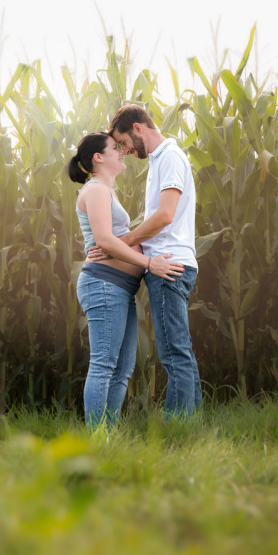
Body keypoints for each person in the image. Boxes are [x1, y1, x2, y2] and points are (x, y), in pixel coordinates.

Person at [91, 104, 202, 417]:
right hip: (172, 264)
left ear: (138, 128)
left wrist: (122, 242)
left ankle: (178, 427)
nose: (124, 150)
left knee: (173, 354)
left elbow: (165, 215)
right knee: (181, 351)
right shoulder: (159, 161)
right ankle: (192, 426)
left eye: (123, 142)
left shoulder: (169, 157)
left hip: (168, 267)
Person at [67, 132, 184, 428]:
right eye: (114, 148)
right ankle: (98, 438)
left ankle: (108, 435)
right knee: (104, 365)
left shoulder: (108, 192)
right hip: (103, 285)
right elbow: (105, 240)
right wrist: (148, 262)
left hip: (119, 288)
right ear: (98, 157)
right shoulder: (95, 190)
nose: (121, 152)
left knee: (122, 369)